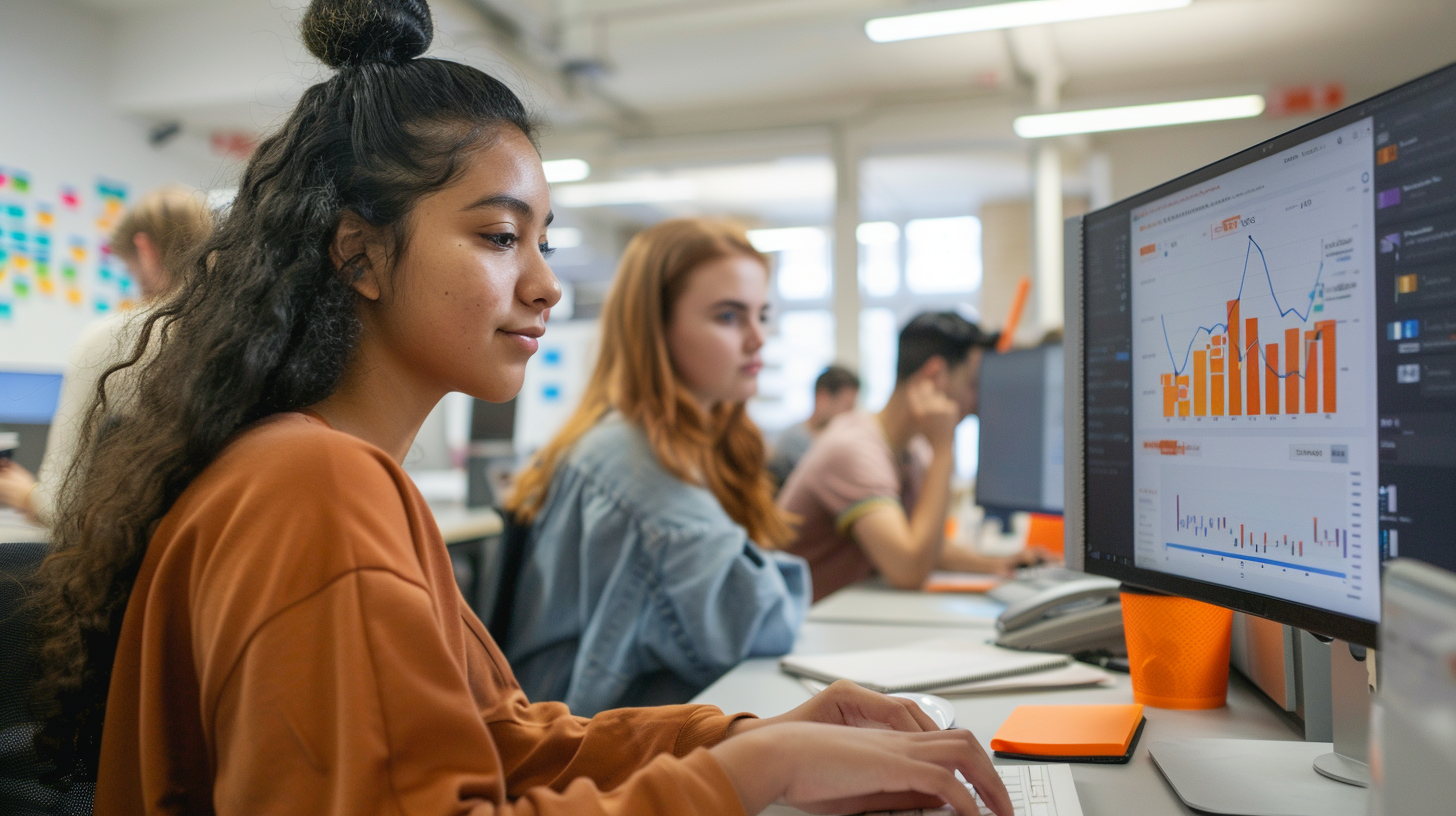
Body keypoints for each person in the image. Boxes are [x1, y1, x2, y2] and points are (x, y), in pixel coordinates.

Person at [24, 3, 1012, 815]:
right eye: (501, 237)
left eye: (544, 239)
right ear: (358, 252)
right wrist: (739, 779)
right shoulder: (309, 486)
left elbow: (503, 742)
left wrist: (753, 738)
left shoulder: (347, 474)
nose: (546, 286)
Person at [502, 218, 811, 716]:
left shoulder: (687, 442)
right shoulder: (632, 458)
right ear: (656, 328)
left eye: (763, 314)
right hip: (592, 762)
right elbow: (758, 621)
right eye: (729, 317)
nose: (758, 338)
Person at [778, 311, 1042, 601]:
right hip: (803, 627)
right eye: (972, 385)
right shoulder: (853, 449)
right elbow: (909, 570)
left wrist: (999, 565)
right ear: (934, 376)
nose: (977, 402)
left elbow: (928, 546)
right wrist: (944, 449)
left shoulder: (911, 450)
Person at [0, 185, 211, 524]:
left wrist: (22, 492)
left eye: (132, 274)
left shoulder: (113, 338)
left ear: (145, 250)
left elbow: (60, 504)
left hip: (137, 562)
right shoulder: (238, 335)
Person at [767, 363, 860, 488]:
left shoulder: (836, 440)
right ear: (822, 398)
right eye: (847, 406)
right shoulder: (794, 440)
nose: (850, 415)